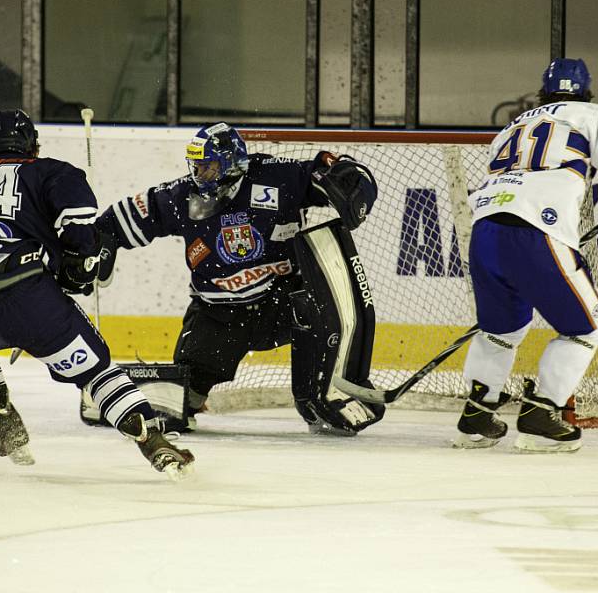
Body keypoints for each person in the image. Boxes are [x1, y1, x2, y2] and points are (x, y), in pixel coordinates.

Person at [0, 109, 194, 479]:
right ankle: (151, 440)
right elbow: (79, 228)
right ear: (33, 144)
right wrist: (79, 262)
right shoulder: (51, 171)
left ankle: (5, 420)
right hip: (29, 303)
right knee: (97, 373)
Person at [95, 122, 385, 436]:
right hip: (220, 314)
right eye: (196, 167)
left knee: (325, 324)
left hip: (284, 303)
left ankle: (333, 392)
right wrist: (98, 241)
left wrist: (351, 180)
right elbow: (124, 217)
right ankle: (192, 395)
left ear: (232, 161)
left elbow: (331, 172)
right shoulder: (182, 197)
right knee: (181, 399)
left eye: (209, 167)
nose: (199, 175)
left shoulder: (276, 177)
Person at [454, 58, 598, 452]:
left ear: (543, 90)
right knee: (586, 327)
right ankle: (542, 411)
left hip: (486, 228)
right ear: (587, 89)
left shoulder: (514, 124)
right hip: (537, 230)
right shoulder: (595, 114)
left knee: (500, 330)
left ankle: (476, 415)